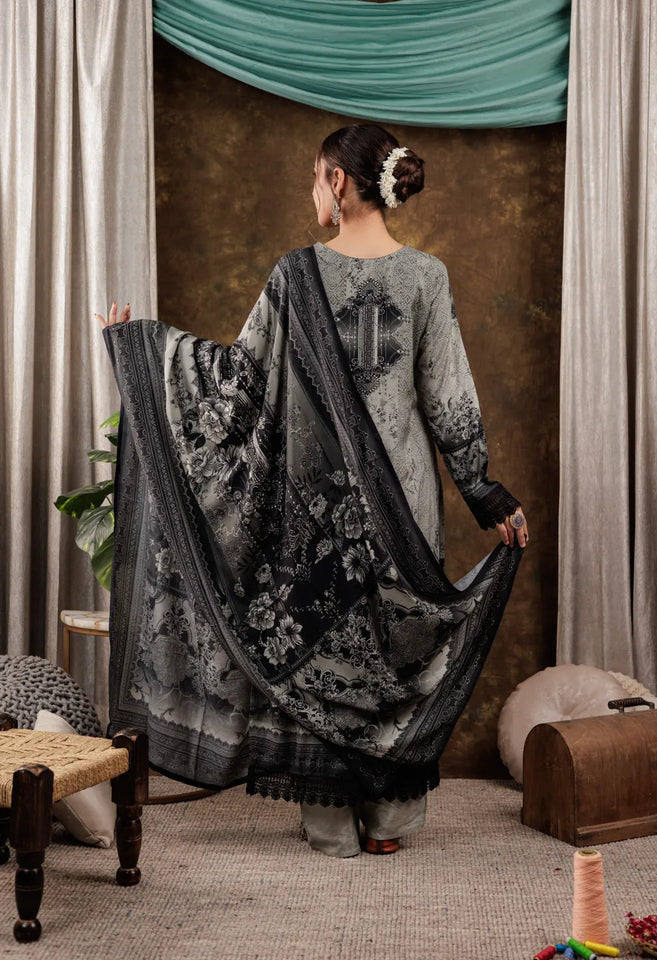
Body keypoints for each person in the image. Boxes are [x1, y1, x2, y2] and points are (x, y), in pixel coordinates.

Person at [96, 123, 527, 859]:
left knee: (320, 649)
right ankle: (389, 821)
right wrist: (483, 490)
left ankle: (330, 824)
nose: (311, 193)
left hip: (314, 502)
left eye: (314, 178)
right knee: (392, 646)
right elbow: (448, 396)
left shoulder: (294, 275)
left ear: (338, 181)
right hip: (404, 500)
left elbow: (236, 385)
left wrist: (143, 355)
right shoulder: (426, 276)